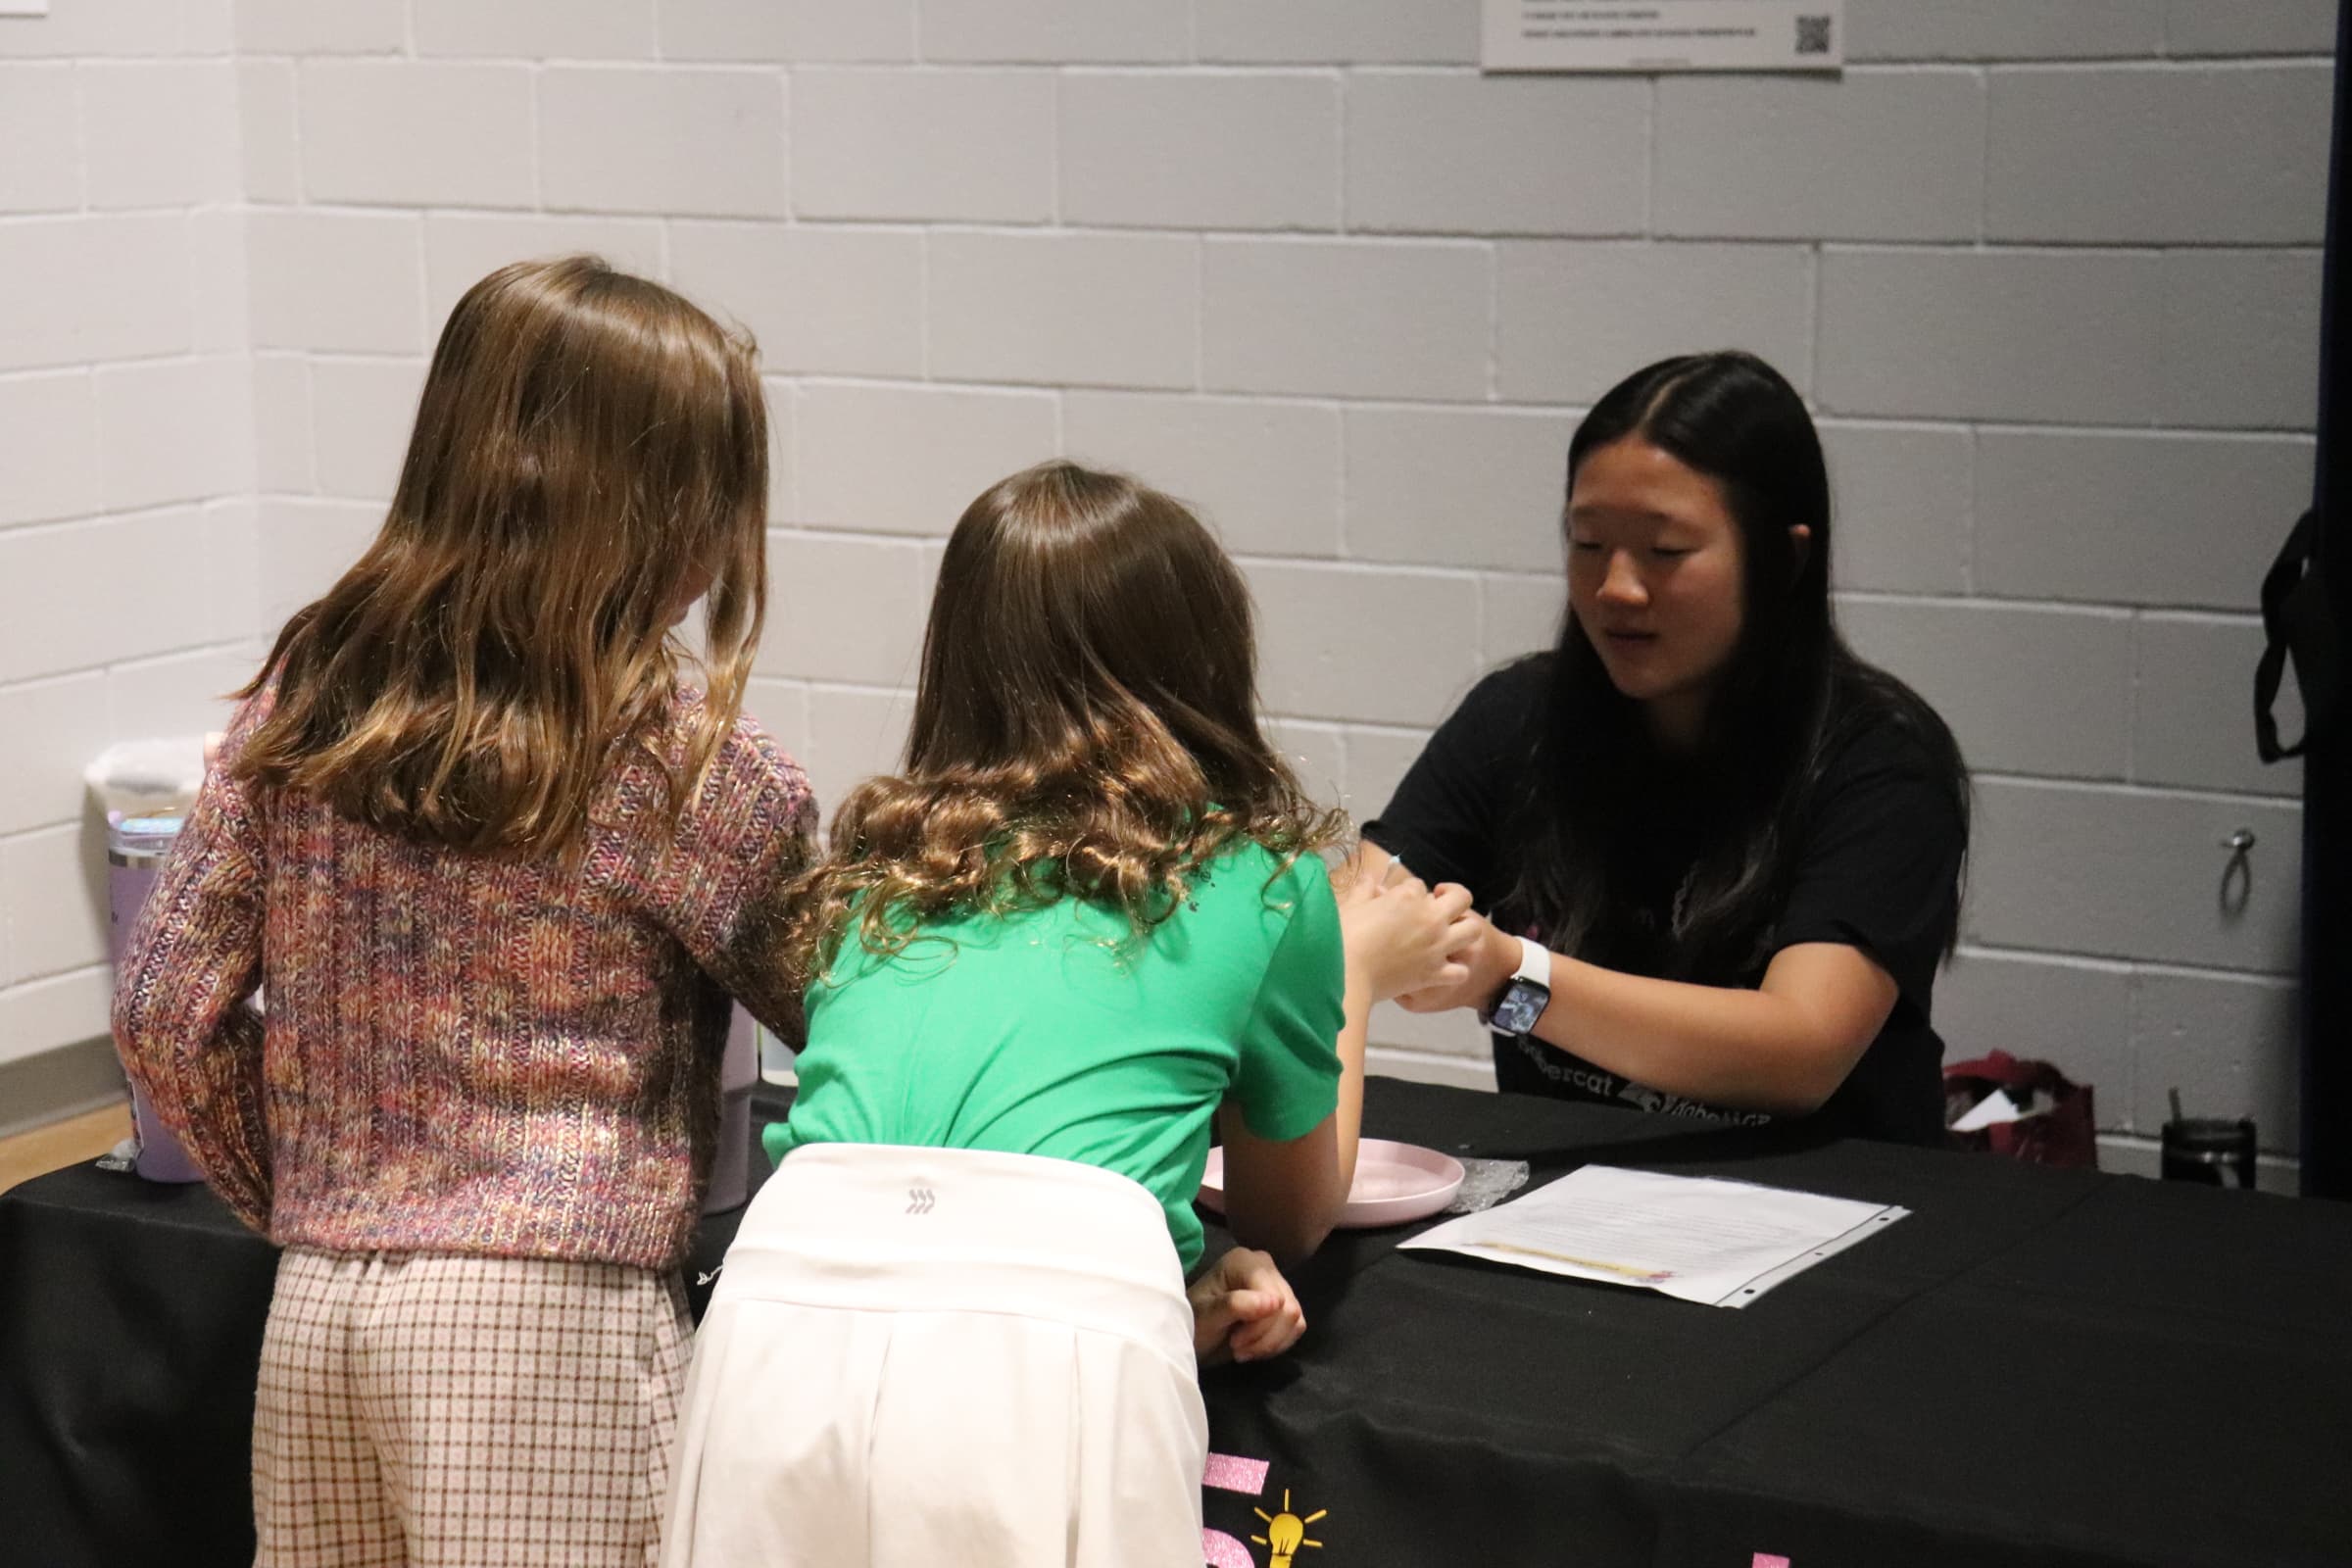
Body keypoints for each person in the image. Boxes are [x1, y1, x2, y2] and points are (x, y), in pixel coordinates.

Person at [112, 257, 817, 1567]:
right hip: (556, 1331)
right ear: (654, 507)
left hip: (321, 1317)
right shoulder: (690, 770)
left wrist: (309, 1198)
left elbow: (163, 1011)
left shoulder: (304, 713)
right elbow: (859, 1023)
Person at [662, 461, 1473, 1568]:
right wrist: (1360, 977)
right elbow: (1293, 1214)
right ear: (1205, 657)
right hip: (1049, 1361)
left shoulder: (880, 865)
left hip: (774, 1319)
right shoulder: (1260, 880)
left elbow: (948, 1210)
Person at [1359, 351, 1969, 1145]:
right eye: (1586, 543)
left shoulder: (1878, 762)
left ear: (1784, 558)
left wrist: (1516, 977)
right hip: (1564, 1201)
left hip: (1829, 1211)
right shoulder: (1517, 720)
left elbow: (1800, 1050)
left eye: (1665, 550)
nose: (1616, 588)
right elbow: (1363, 902)